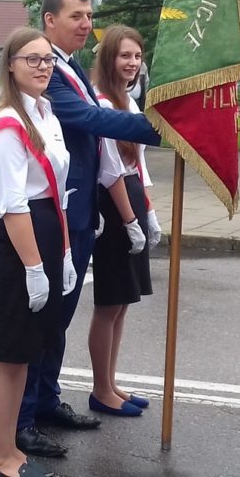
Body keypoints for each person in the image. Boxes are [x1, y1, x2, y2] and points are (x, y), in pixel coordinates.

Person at [15, 0, 161, 459]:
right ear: (49, 20)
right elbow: (88, 118)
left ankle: (47, 400)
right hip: (56, 211)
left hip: (77, 211)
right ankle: (24, 415)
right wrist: (158, 126)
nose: (86, 24)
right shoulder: (48, 71)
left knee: (60, 316)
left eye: (89, 15)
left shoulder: (71, 65)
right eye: (76, 15)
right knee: (43, 319)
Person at [0, 26, 70, 477]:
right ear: (10, 65)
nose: (43, 67)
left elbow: (57, 193)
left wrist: (64, 254)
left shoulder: (45, 113)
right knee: (6, 355)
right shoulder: (6, 124)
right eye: (32, 59)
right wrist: (35, 268)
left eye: (49, 59)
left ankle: (11, 447)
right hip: (18, 245)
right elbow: (14, 204)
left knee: (25, 355)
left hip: (45, 236)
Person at [87, 25, 161, 417]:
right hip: (114, 206)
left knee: (123, 304)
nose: (132, 63)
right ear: (108, 58)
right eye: (124, 56)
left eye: (136, 56)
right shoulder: (100, 101)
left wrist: (147, 210)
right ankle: (100, 389)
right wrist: (131, 220)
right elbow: (111, 169)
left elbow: (138, 165)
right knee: (109, 303)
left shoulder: (128, 101)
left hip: (132, 197)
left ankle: (111, 382)